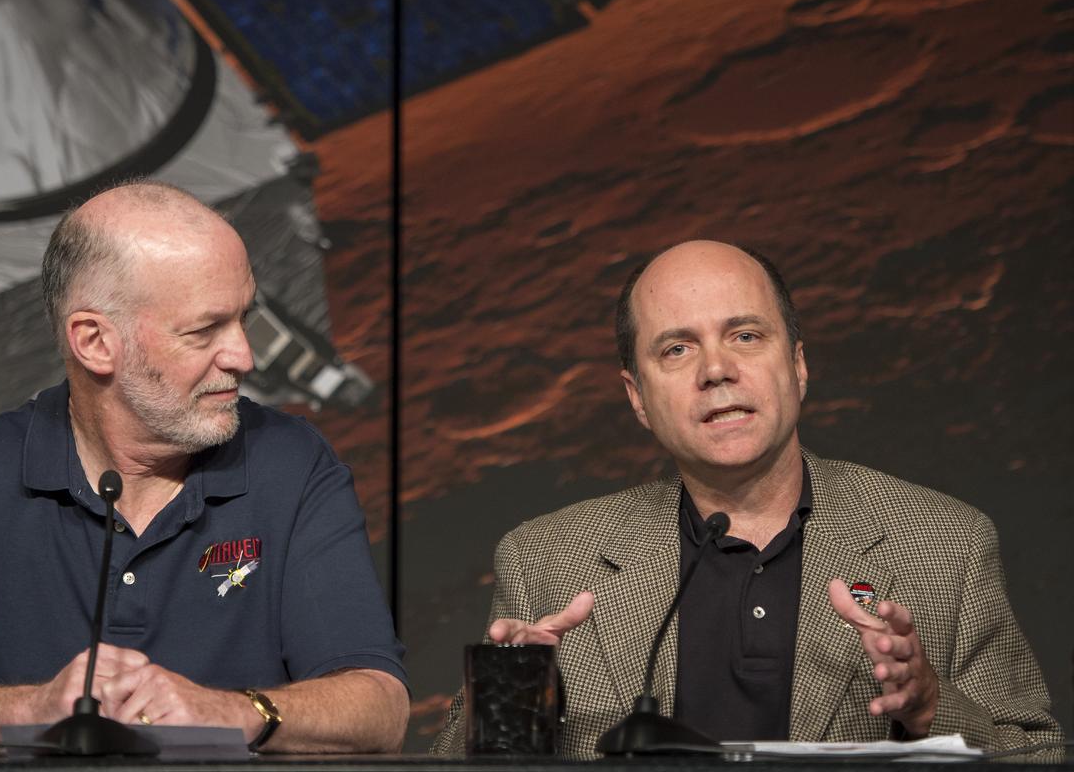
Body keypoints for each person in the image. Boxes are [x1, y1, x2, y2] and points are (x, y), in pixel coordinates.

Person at [0, 181, 408, 753]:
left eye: (244, 317)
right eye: (203, 331)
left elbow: (380, 706)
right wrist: (31, 709)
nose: (244, 356)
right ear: (94, 343)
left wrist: (237, 712)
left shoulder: (288, 459)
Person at [433, 240, 1060, 758]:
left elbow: (1037, 755)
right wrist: (509, 701)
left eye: (746, 336)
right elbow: (448, 766)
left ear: (798, 364)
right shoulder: (546, 559)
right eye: (677, 349)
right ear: (638, 398)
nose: (716, 370)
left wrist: (929, 708)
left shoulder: (945, 542)